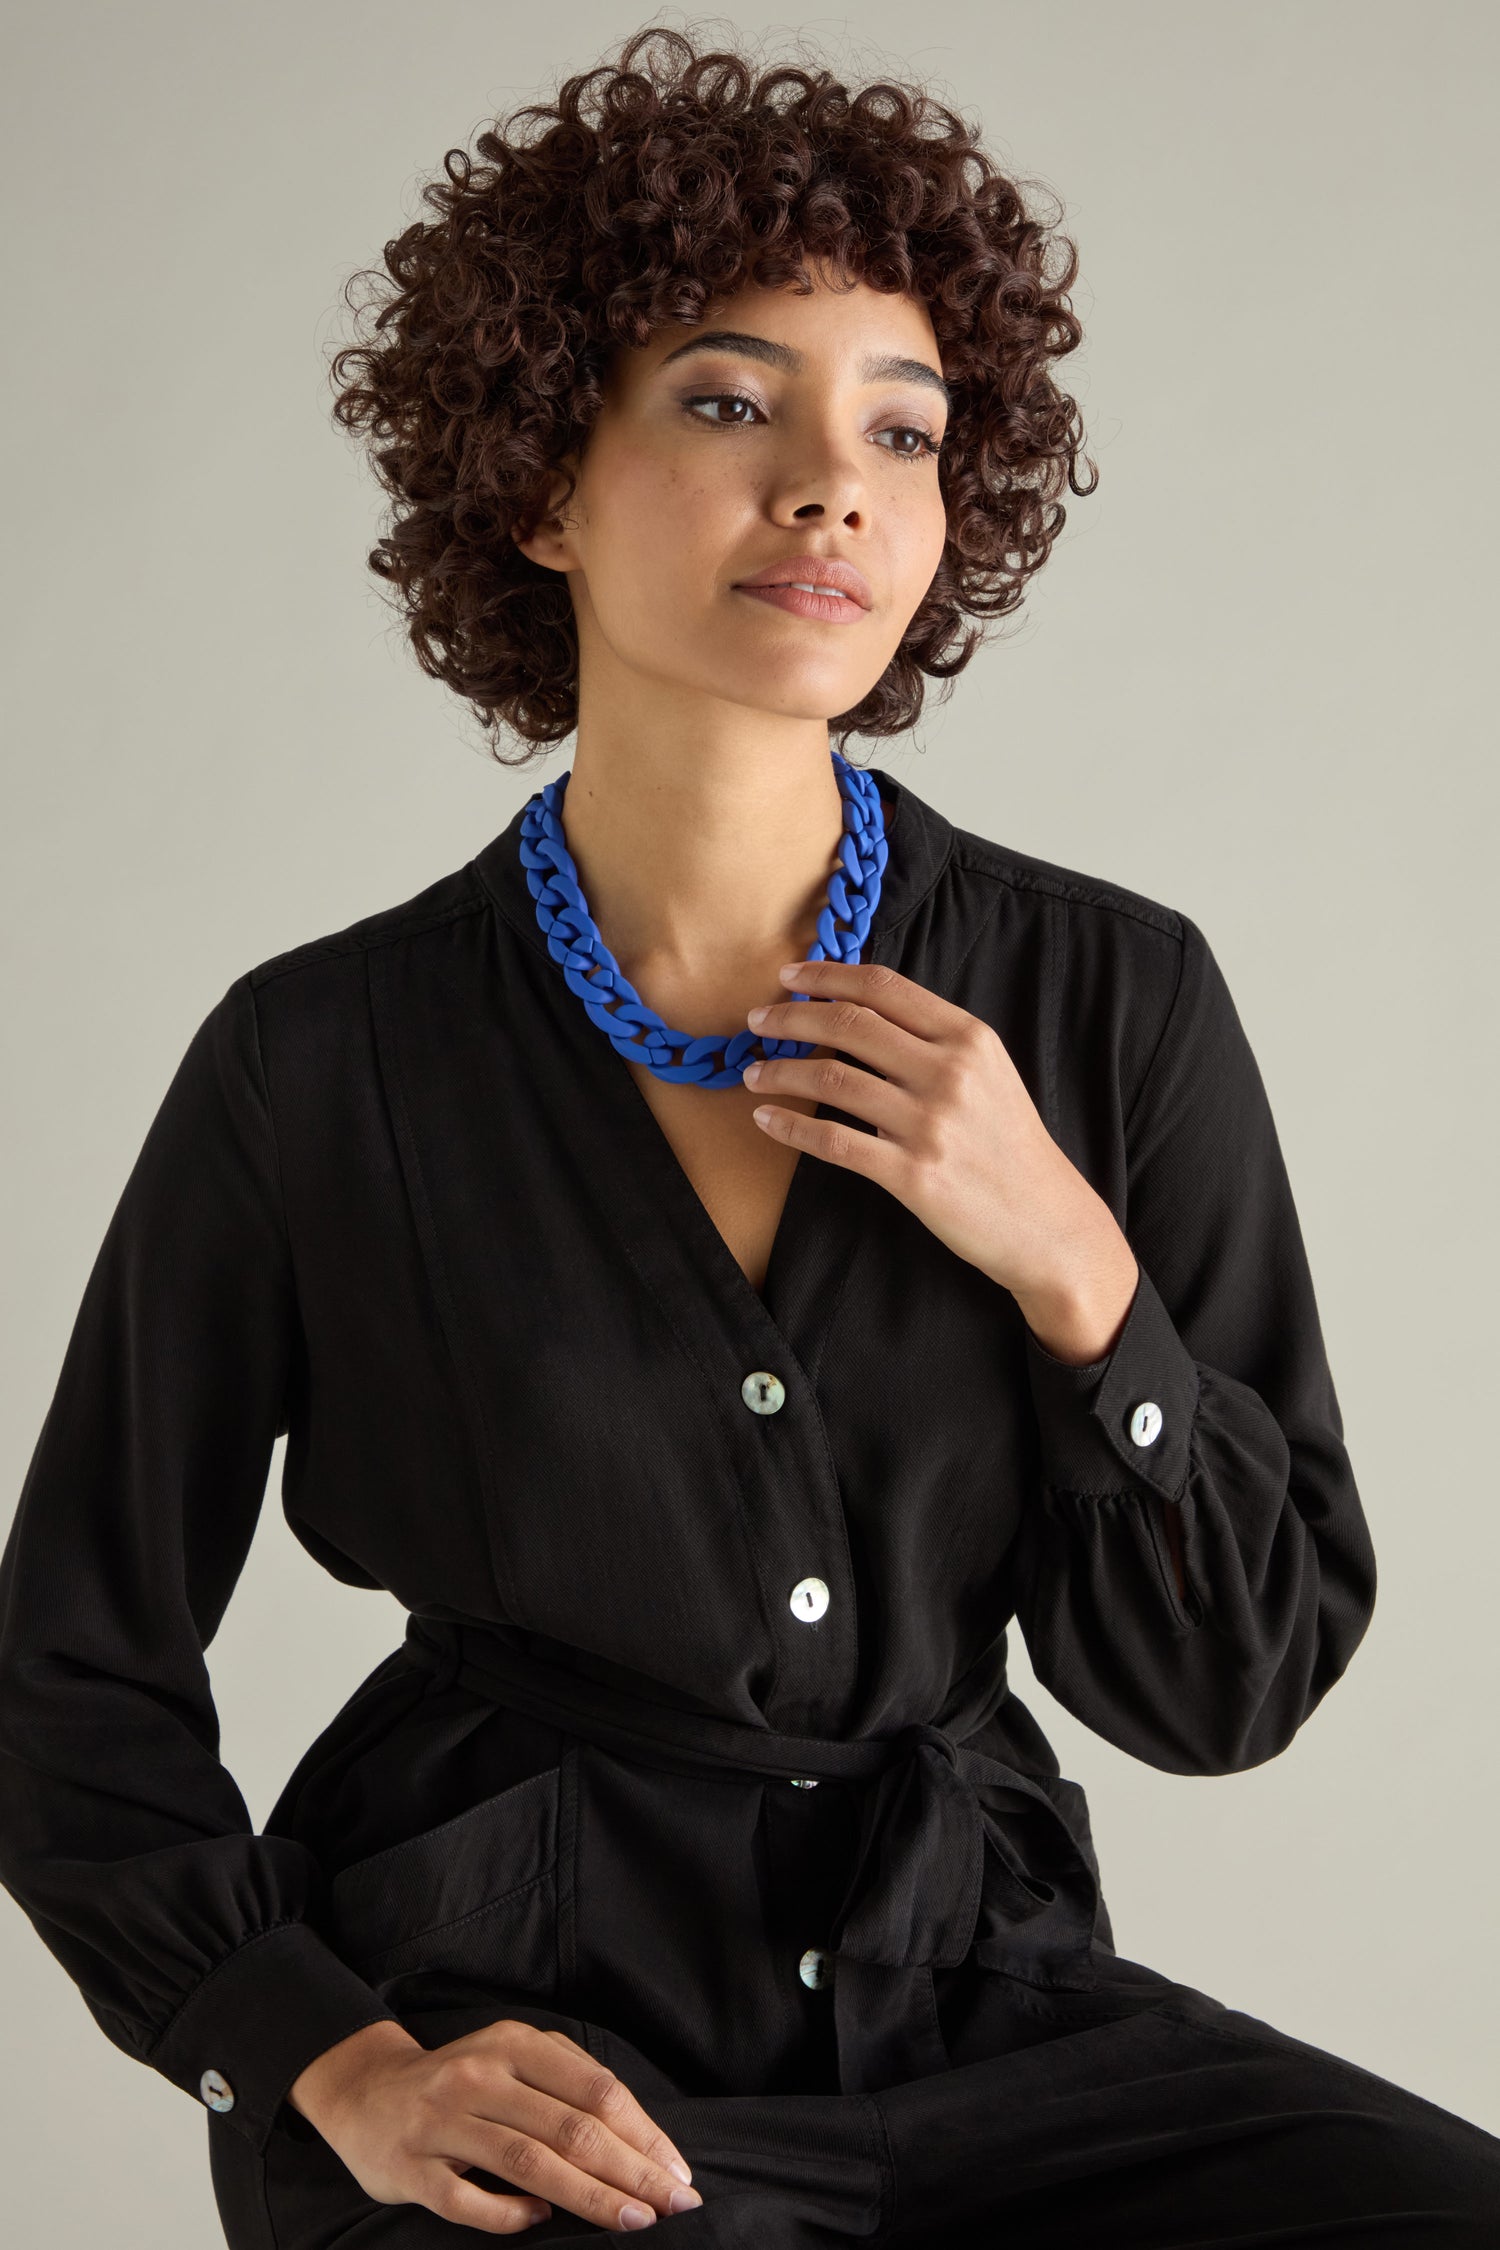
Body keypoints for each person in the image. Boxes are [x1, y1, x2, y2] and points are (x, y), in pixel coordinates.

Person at [2, 25, 1497, 2248]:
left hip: (976, 2014)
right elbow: (71, 1670)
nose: (835, 487)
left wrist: (1078, 1274)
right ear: (537, 481)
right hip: (522, 2043)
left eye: (902, 427)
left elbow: (1225, 1692)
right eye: (729, 403)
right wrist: (333, 2058)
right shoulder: (324, 1061)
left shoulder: (1111, 1002)